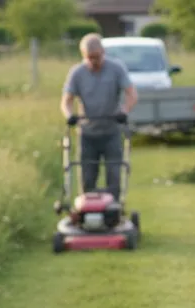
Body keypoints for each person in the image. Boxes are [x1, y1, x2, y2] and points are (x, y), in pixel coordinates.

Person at [61, 34, 139, 200]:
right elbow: (66, 101)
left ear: (103, 52)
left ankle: (114, 212)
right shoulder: (77, 73)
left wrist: (124, 111)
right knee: (87, 179)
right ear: (83, 55)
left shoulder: (116, 68)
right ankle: (88, 216)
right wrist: (69, 115)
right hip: (87, 134)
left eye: (97, 57)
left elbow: (132, 94)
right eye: (90, 58)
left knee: (114, 176)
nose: (94, 61)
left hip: (111, 131)